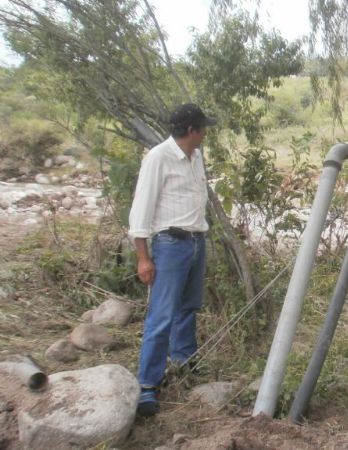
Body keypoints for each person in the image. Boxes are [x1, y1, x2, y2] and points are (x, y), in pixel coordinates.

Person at [128, 103, 216, 417]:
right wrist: (143, 258)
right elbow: (140, 212)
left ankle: (184, 362)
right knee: (161, 315)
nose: (206, 133)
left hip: (195, 241)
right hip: (170, 244)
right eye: (203, 128)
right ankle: (147, 386)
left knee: (188, 307)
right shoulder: (158, 158)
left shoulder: (196, 156)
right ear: (192, 131)